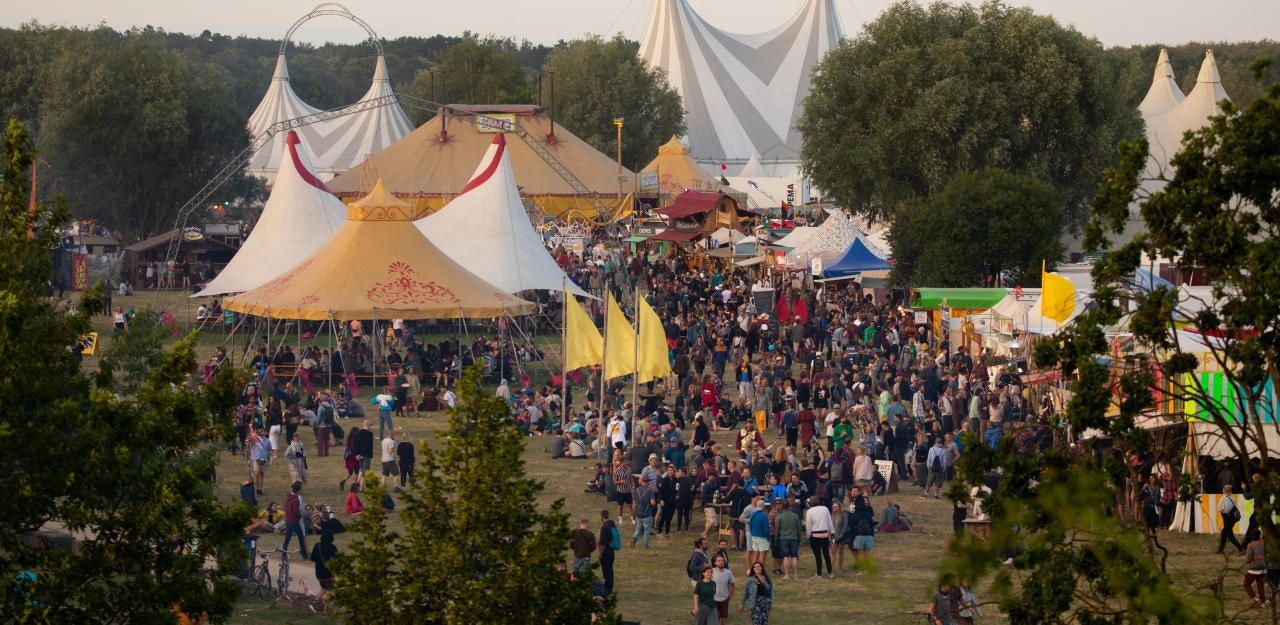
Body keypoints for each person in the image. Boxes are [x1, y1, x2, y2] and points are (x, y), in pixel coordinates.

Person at [804, 496, 833, 579]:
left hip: (814, 536)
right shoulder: (825, 509)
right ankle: (830, 572)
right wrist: (832, 532)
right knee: (826, 554)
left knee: (818, 556)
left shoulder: (809, 511)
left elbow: (808, 525)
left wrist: (808, 536)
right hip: (824, 535)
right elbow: (829, 521)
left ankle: (819, 573)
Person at [310, 530, 338, 611]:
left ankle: (315, 602)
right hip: (329, 574)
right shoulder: (333, 547)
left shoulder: (317, 545)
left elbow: (312, 558)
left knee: (323, 587)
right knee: (329, 591)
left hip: (319, 573)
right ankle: (324, 612)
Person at [773, 499, 801, 580]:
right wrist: (799, 538)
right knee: (794, 556)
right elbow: (798, 529)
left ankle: (787, 575)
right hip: (794, 538)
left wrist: (776, 540)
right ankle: (795, 575)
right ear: (789, 506)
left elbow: (777, 530)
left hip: (783, 538)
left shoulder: (779, 517)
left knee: (785, 556)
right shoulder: (795, 516)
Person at [281, 482, 307, 558]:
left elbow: (286, 508)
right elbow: (296, 511)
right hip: (294, 521)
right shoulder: (296, 499)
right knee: (301, 538)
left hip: (288, 520)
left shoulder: (288, 497)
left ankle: (283, 553)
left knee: (287, 538)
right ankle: (304, 554)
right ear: (298, 490)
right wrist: (300, 516)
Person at [632, 475, 658, 550]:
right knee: (647, 530)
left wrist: (634, 513)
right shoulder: (650, 490)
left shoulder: (636, 490)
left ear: (642, 481)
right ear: (648, 482)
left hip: (638, 513)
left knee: (638, 528)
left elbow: (634, 503)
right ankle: (645, 546)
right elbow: (652, 502)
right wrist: (653, 505)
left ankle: (634, 538)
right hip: (647, 514)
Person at [1244, 528, 1268, 607]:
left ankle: (1256, 599)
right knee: (1260, 584)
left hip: (1254, 568)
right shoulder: (1263, 543)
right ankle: (1263, 602)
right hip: (1263, 568)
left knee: (1246, 584)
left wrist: (1249, 560)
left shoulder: (1250, 545)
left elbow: (1249, 558)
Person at [1217, 483, 1244, 554]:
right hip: (1232, 519)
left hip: (1226, 518)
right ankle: (1220, 550)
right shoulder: (1232, 498)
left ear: (1224, 490)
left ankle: (1240, 548)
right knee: (1224, 533)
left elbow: (1220, 508)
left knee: (1229, 535)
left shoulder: (1223, 498)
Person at [711, 553, 736, 625]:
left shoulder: (728, 572)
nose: (721, 562)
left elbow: (733, 584)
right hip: (713, 599)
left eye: (722, 560)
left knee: (723, 620)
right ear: (715, 562)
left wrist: (729, 596)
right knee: (715, 619)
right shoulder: (711, 572)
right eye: (719, 560)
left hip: (724, 599)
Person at [598, 510, 619, 594]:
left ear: (602, 517)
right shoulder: (612, 525)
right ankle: (610, 586)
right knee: (610, 570)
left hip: (606, 552)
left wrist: (600, 553)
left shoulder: (604, 527)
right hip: (612, 551)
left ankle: (607, 588)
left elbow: (603, 543)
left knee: (606, 570)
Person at [247, 426, 271, 496]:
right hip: (255, 459)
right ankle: (256, 489)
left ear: (265, 432)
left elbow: (269, 450)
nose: (261, 432)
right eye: (260, 431)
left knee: (261, 475)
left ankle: (260, 490)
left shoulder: (267, 441)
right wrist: (251, 436)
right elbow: (249, 443)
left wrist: (268, 459)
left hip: (264, 460)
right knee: (256, 473)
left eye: (262, 431)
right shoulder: (255, 439)